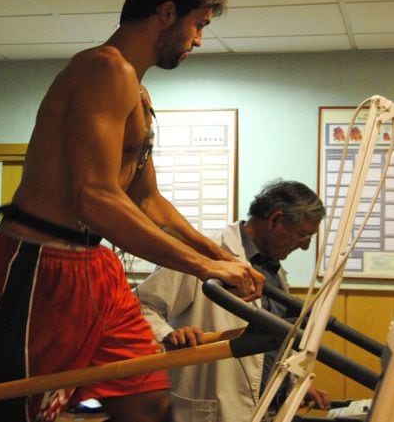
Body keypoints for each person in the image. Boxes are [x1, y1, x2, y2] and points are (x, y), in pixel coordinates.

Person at [0, 0, 264, 422]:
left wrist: (220, 257)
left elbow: (148, 201)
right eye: (198, 25)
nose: (199, 40)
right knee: (24, 409)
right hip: (41, 264)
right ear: (167, 13)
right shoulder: (104, 69)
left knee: (148, 403)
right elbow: (96, 197)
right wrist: (204, 265)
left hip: (95, 266)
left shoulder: (138, 92)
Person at [136, 180, 332, 422]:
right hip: (213, 407)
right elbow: (140, 306)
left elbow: (271, 343)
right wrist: (168, 333)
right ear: (275, 220)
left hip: (267, 410)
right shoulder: (201, 255)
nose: (305, 246)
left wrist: (289, 386)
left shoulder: (273, 271)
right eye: (303, 235)